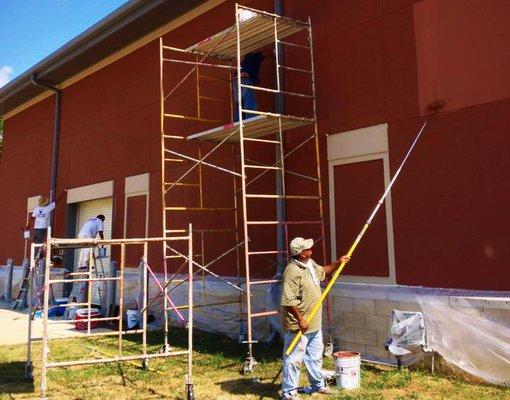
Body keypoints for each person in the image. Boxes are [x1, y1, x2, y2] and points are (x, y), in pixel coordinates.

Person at [280, 237, 350, 399]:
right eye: (308, 249)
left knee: (314, 356)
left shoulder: (310, 264)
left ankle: (317, 385)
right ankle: (289, 392)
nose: (311, 250)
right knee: (293, 359)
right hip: (299, 325)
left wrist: (338, 262)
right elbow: (288, 299)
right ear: (302, 253)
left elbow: (323, 271)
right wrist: (300, 319)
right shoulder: (292, 271)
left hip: (314, 322)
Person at [233, 51, 271, 122]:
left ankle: (238, 121)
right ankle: (251, 118)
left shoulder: (248, 60)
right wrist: (272, 54)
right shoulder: (255, 56)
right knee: (249, 100)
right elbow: (266, 53)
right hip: (244, 79)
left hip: (236, 80)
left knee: (239, 102)